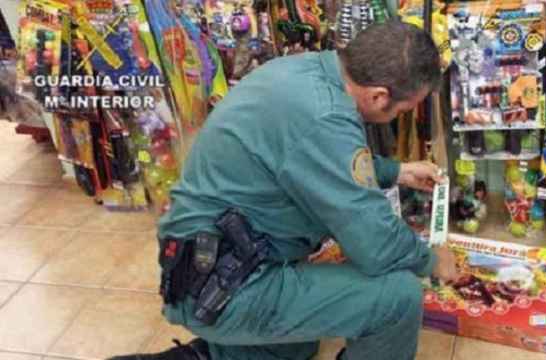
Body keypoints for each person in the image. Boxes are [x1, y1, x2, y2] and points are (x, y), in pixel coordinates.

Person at [110, 21, 460, 360]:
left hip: (202, 264)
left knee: (297, 345)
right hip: (223, 283)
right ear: (379, 95)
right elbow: (376, 244)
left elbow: (319, 159)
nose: (402, 115)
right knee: (397, 298)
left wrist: (396, 171)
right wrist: (431, 259)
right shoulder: (325, 117)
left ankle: (214, 353)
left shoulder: (306, 71)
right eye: (404, 109)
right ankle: (218, 345)